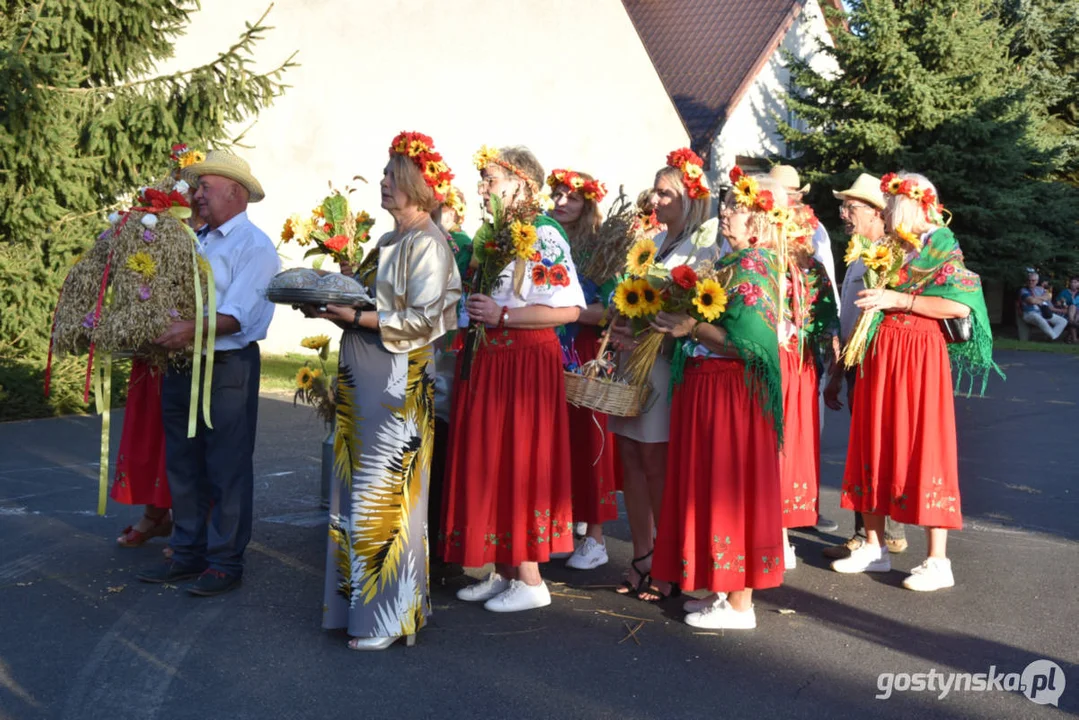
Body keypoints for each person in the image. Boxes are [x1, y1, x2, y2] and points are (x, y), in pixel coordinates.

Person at [306, 132, 461, 650]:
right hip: (363, 381)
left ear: (418, 186)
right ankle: (356, 608)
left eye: (393, 177)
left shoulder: (428, 243)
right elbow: (369, 302)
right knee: (357, 492)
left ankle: (387, 618)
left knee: (386, 495)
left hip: (395, 385)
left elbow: (421, 319)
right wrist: (332, 300)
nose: (383, 183)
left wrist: (353, 314)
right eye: (385, 176)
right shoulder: (390, 240)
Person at [832, 172, 1000, 592]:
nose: (884, 212)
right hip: (881, 350)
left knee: (924, 445)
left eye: (890, 204)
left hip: (919, 355)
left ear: (908, 206)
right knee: (873, 438)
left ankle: (937, 561)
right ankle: (874, 545)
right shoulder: (886, 247)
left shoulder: (942, 245)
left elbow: (960, 306)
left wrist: (899, 299)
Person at [439, 145, 585, 613]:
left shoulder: (542, 233)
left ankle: (530, 577)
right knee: (492, 459)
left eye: (491, 179)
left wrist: (502, 315)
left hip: (522, 360)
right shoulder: (491, 234)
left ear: (521, 183)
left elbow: (568, 307)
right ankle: (502, 569)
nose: (482, 188)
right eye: (482, 179)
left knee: (518, 458)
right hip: (491, 357)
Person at [136, 150, 279, 596]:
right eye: (196, 188)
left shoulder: (253, 246)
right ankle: (186, 554)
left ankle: (223, 563)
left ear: (235, 193)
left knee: (226, 466)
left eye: (205, 188)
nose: (196, 195)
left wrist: (185, 330)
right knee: (183, 463)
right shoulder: (200, 240)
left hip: (225, 366)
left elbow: (236, 316)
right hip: (185, 363)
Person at [649, 170, 786, 630]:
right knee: (707, 485)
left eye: (738, 209)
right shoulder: (726, 262)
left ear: (759, 224)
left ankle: (740, 603)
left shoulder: (755, 268)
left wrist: (693, 328)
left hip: (733, 395)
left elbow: (747, 345)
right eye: (726, 206)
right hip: (707, 388)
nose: (727, 213)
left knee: (732, 488)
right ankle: (715, 585)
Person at [608, 148, 718, 602]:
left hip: (664, 362)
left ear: (690, 198)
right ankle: (643, 555)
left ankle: (668, 562)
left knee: (657, 464)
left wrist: (649, 333)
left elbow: (695, 315)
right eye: (655, 191)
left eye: (666, 192)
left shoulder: (704, 245)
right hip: (634, 359)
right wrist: (619, 322)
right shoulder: (653, 243)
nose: (655, 200)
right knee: (630, 458)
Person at [112, 146, 208, 549]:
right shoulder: (157, 234)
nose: (194, 201)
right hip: (155, 352)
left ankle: (186, 522)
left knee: (186, 442)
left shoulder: (213, 238)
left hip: (195, 353)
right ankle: (155, 514)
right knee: (148, 434)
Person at [821, 174, 908, 559]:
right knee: (862, 448)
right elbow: (846, 315)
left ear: (876, 213)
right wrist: (837, 370)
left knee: (880, 444)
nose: (844, 214)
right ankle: (868, 531)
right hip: (855, 361)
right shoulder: (858, 253)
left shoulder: (894, 254)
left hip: (880, 363)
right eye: (844, 207)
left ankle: (884, 531)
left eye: (851, 207)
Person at [546, 168, 620, 570]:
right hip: (551, 349)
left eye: (571, 197)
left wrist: (567, 312)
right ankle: (562, 523)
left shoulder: (602, 245)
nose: (561, 203)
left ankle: (596, 536)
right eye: (557, 195)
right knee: (557, 442)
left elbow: (610, 308)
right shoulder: (546, 239)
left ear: (588, 203)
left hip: (586, 351)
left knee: (591, 440)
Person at [768, 164, 839, 533]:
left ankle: (797, 510)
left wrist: (826, 338)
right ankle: (775, 515)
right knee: (776, 430)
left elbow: (822, 284)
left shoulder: (812, 233)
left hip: (797, 344)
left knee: (799, 430)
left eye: (793, 195)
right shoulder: (762, 240)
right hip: (777, 343)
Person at [429, 184, 473, 576]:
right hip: (435, 337)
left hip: (452, 340)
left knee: (443, 429)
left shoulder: (460, 242)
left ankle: (444, 542)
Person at [1019, 271, 1068, 340]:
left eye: (1033, 280)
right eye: (1029, 280)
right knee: (1040, 319)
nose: (1030, 282)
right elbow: (1031, 301)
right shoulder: (1023, 290)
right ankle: (1054, 337)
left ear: (1037, 281)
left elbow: (1048, 296)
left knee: (1063, 321)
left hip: (1042, 312)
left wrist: (1036, 299)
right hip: (1029, 314)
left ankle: (1052, 337)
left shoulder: (1040, 289)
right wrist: (1041, 299)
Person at [1055, 276, 1079, 342]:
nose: (1073, 284)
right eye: (1071, 282)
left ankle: (1071, 337)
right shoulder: (1064, 292)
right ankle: (1073, 338)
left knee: (1075, 316)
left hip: (1077, 313)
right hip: (1066, 312)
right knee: (1072, 308)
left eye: (1075, 282)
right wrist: (1062, 303)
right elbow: (1057, 304)